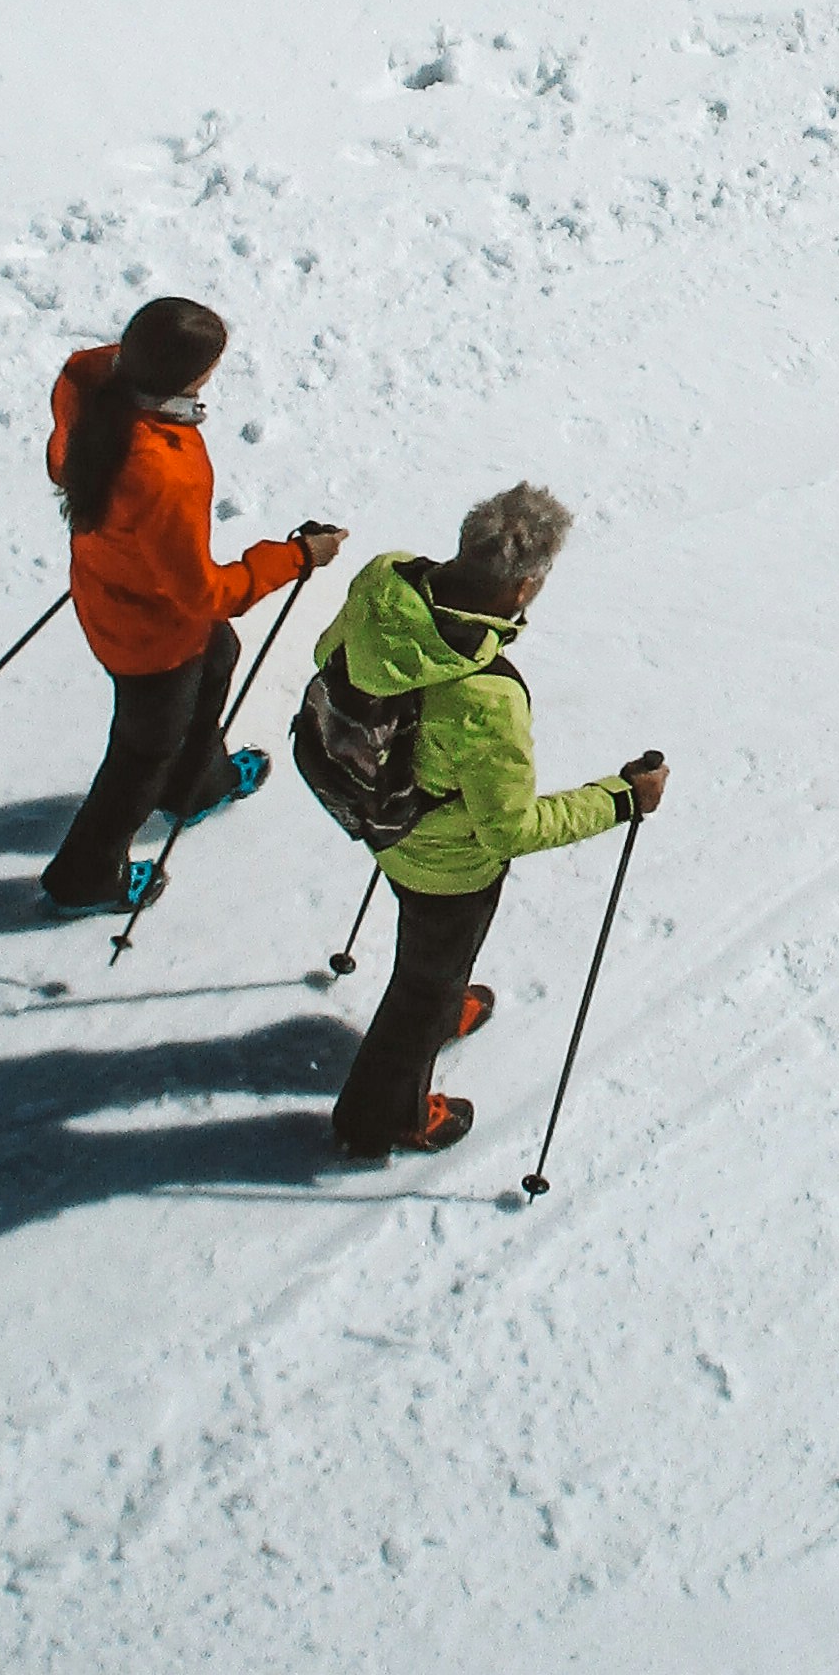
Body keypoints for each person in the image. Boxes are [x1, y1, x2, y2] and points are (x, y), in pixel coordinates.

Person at [316, 481, 667, 1162]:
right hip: (447, 865)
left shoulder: (385, 579)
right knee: (422, 982)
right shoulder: (484, 698)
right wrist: (621, 798)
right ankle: (380, 1118)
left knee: (430, 956)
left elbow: (327, 654)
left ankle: (443, 1007)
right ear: (522, 589)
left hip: (370, 809)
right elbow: (507, 830)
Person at [39, 297, 344, 920]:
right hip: (148, 635)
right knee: (141, 752)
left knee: (220, 652)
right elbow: (204, 594)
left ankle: (196, 781)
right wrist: (295, 557)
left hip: (109, 585)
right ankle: (84, 875)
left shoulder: (88, 380)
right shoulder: (160, 469)